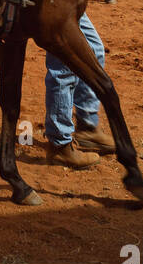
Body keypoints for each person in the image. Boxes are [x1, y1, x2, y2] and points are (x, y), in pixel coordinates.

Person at [44, 13, 114, 166]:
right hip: (55, 0)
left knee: (93, 51)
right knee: (64, 65)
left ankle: (87, 126)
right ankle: (59, 144)